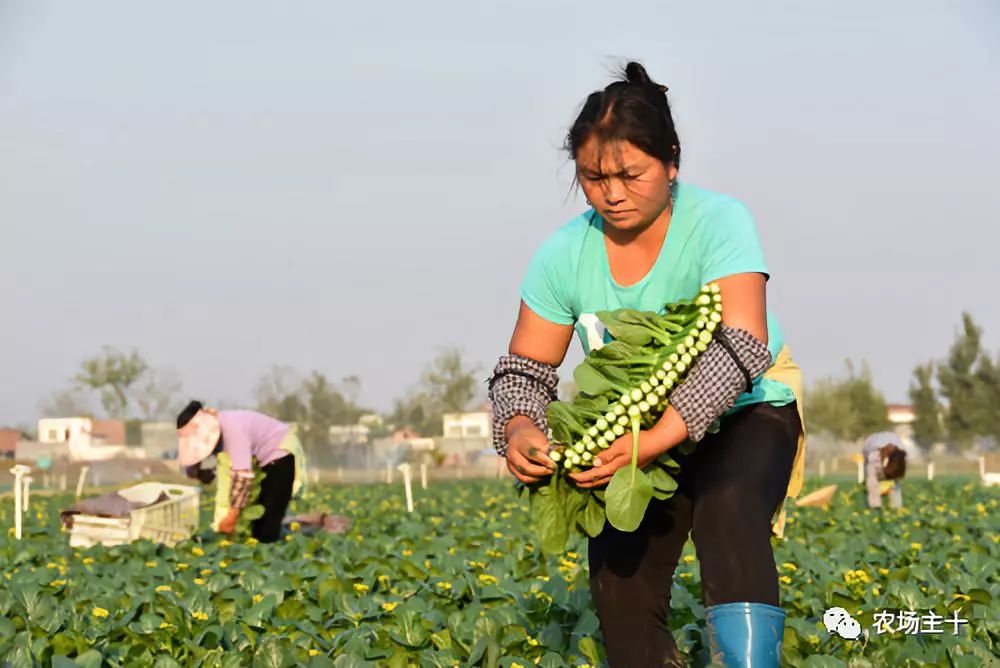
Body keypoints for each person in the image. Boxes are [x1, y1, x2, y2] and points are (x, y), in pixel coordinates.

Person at [487, 62, 807, 668]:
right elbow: (524, 369)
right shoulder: (562, 254)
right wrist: (519, 427)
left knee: (730, 512)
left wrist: (653, 440)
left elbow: (743, 342)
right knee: (619, 577)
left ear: (671, 161)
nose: (612, 193)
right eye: (593, 177)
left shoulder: (719, 221)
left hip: (746, 410)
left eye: (630, 175)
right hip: (630, 431)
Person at [176, 401, 307, 543]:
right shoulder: (217, 428)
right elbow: (199, 457)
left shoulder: (233, 431)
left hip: (280, 452)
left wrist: (231, 518)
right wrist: (197, 472)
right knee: (256, 517)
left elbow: (242, 477)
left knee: (268, 519)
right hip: (259, 459)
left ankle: (274, 546)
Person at [863, 431, 906, 508]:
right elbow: (870, 468)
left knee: (895, 483)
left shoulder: (900, 451)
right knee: (872, 482)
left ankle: (896, 505)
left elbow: (900, 469)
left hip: (889, 460)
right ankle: (875, 505)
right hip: (874, 458)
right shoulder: (873, 453)